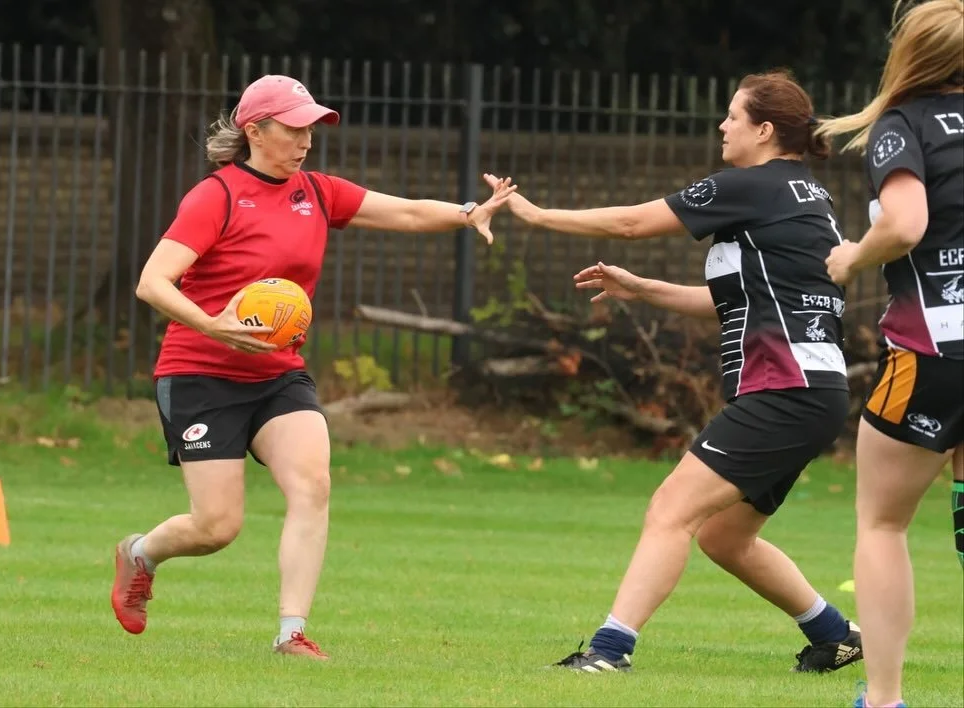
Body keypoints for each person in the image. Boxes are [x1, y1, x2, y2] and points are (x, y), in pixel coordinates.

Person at [110, 74, 516, 659]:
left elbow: (399, 213)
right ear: (255, 130)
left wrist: (466, 211)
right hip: (200, 373)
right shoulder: (216, 196)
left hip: (277, 374)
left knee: (313, 485)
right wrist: (213, 324)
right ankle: (140, 553)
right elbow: (153, 282)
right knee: (217, 527)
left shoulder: (317, 191)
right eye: (294, 127)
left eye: (311, 128)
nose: (306, 139)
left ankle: (290, 633)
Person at [485, 69, 864, 674]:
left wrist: (537, 215)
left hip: (785, 388)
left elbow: (633, 222)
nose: (722, 125)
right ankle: (835, 634)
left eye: (733, 116)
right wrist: (641, 289)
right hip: (811, 391)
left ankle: (609, 652)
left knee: (670, 511)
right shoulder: (803, 193)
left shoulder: (757, 186)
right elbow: (733, 299)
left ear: (764, 131)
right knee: (722, 536)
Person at [813, 0, 964, 705]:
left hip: (934, 351)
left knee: (882, 523)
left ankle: (883, 699)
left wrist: (850, 258)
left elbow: (905, 224)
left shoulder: (903, 126)